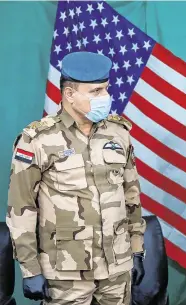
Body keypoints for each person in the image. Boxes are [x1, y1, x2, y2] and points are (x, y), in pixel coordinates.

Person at [6, 51, 146, 305]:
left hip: (117, 265)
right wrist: (30, 269)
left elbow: (131, 196)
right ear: (69, 94)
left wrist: (136, 250)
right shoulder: (37, 140)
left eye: (105, 89)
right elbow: (21, 207)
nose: (105, 97)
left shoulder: (118, 133)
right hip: (67, 271)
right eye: (96, 91)